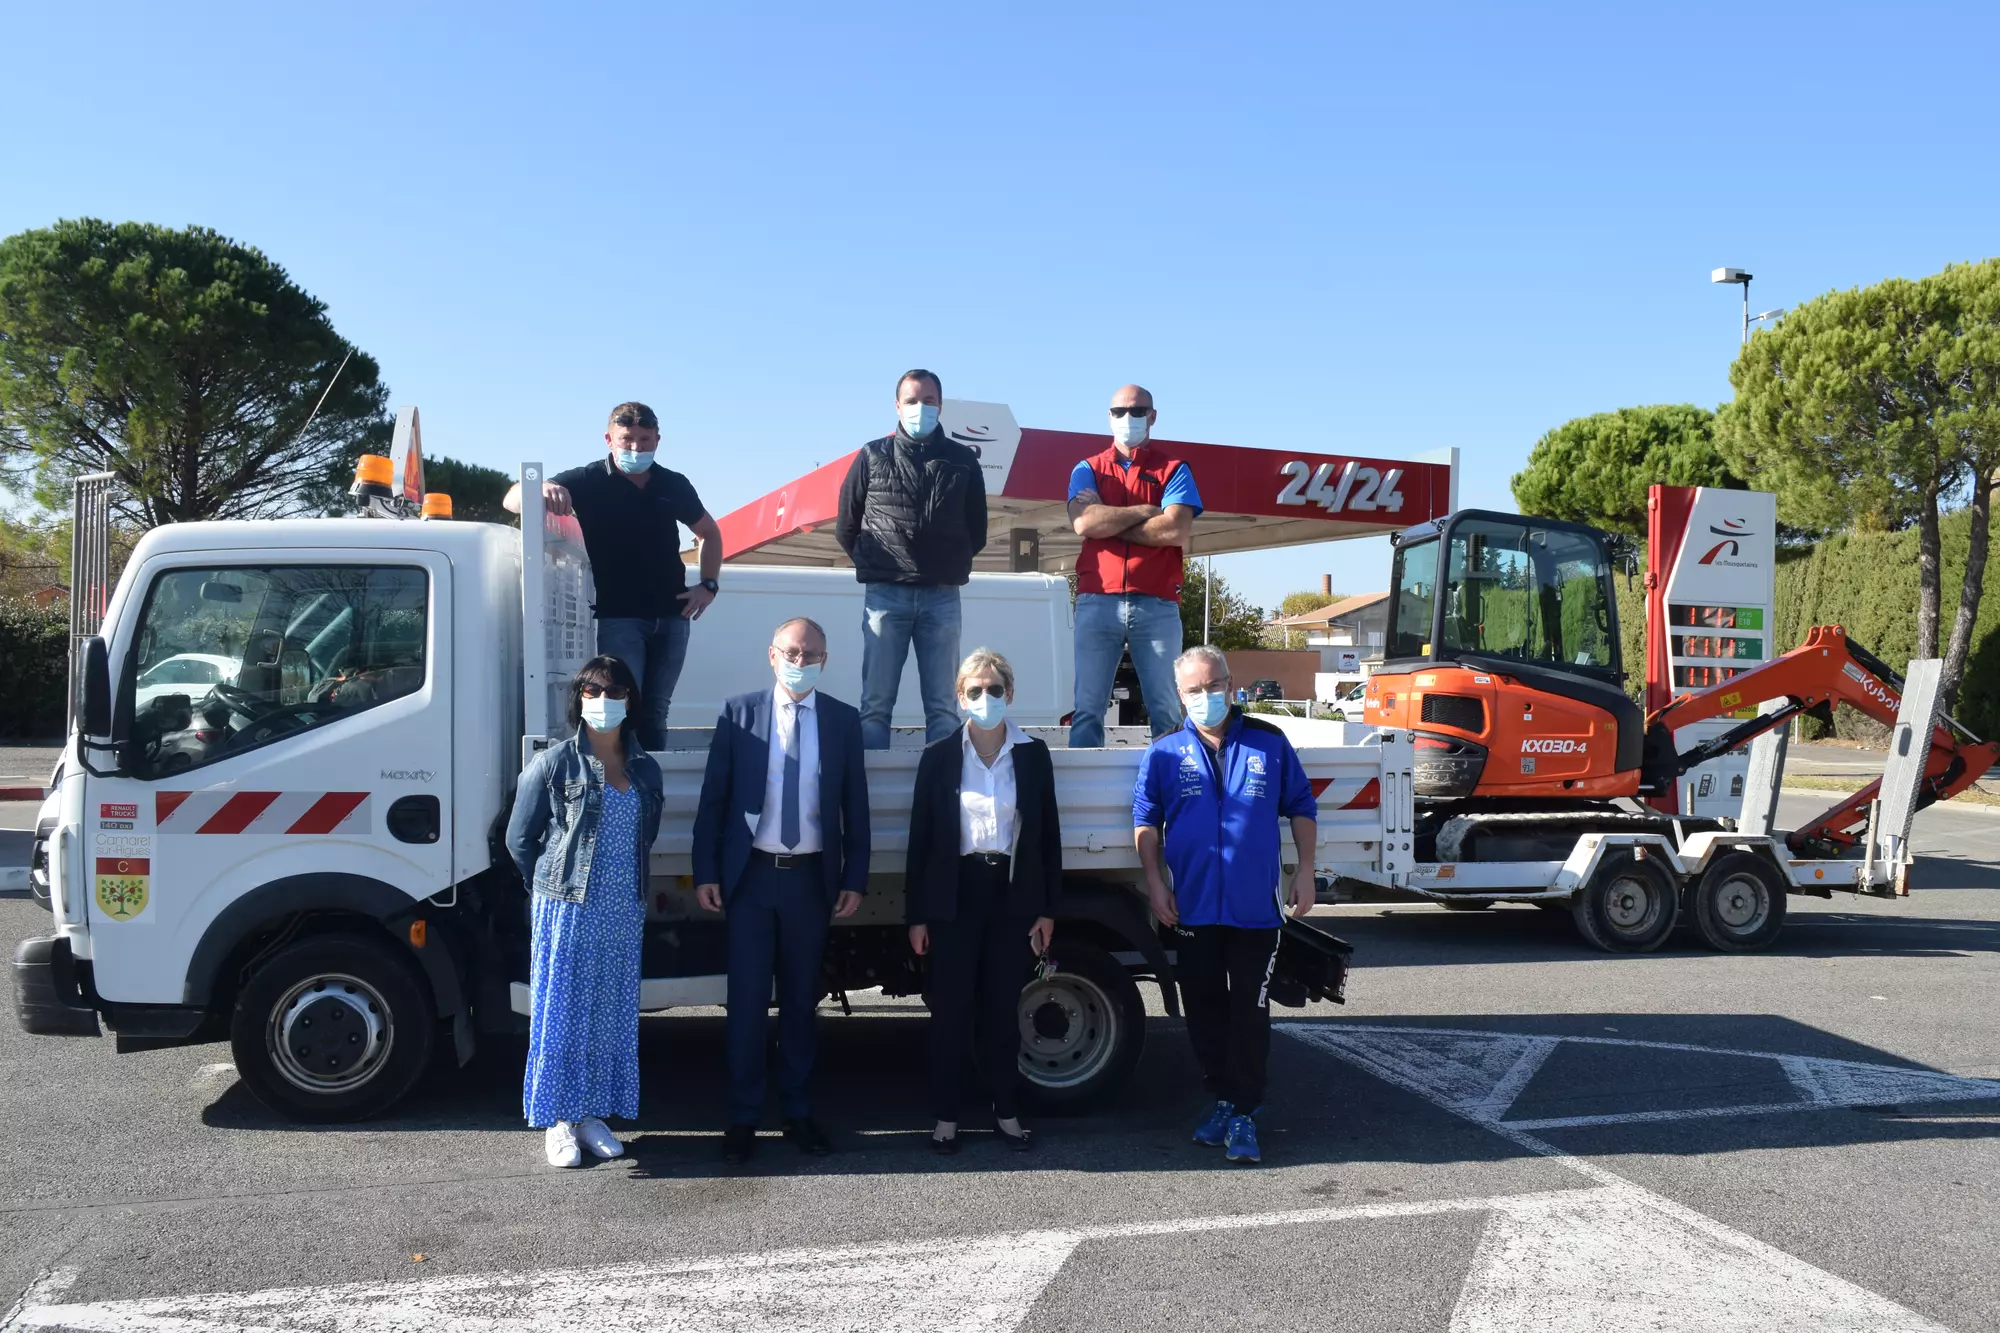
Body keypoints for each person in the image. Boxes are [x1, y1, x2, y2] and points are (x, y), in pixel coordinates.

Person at [692, 617, 870, 1162]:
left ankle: (797, 1111)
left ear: (824, 659)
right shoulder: (738, 713)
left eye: (811, 653)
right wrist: (706, 872)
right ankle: (744, 1117)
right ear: (772, 655)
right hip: (750, 881)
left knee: (798, 1003)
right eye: (792, 651)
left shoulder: (842, 720)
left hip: (810, 883)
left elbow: (854, 808)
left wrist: (855, 878)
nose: (800, 661)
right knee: (746, 1004)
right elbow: (713, 802)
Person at [1133, 646, 1316, 1165]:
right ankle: (1222, 1098)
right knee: (1204, 1011)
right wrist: (1155, 881)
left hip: (1256, 910)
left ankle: (1246, 1111)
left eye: (1214, 686)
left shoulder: (1269, 741)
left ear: (1231, 685)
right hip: (1192, 909)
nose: (1206, 697)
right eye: (1194, 690)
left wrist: (1304, 870)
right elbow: (1146, 818)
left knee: (1249, 1013)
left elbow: (1300, 805)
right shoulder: (1165, 751)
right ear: (1180, 695)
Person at [504, 655, 664, 1168]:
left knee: (609, 1013)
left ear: (629, 700)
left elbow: (645, 834)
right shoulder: (553, 763)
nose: (602, 701)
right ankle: (558, 1121)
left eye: (613, 691)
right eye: (591, 692)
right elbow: (518, 840)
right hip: (568, 908)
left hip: (623, 908)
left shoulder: (644, 766)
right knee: (563, 1013)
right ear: (577, 700)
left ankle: (592, 1114)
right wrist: (548, 889)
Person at [906, 648, 1060, 1155]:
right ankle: (946, 1115)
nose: (985, 698)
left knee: (1001, 1012)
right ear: (960, 697)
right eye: (975, 690)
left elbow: (1047, 838)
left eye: (994, 689)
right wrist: (918, 915)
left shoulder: (1033, 755)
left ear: (1009, 694)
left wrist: (1045, 909)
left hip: (1011, 898)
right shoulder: (940, 756)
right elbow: (922, 841)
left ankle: (1006, 1110)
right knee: (950, 1011)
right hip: (955, 897)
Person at [504, 401, 723, 750]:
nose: (636, 448)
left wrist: (709, 586)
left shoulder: (673, 484)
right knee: (620, 705)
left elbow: (710, 533)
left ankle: (649, 787)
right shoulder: (590, 479)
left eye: (645, 440)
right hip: (620, 618)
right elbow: (512, 499)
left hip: (673, 615)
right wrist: (542, 487)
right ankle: (619, 786)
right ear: (609, 439)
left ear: (657, 440)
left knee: (655, 711)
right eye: (627, 439)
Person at [834, 369, 988, 749]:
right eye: (913, 400)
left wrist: (946, 565)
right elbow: (846, 526)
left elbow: (978, 530)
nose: (921, 408)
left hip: (942, 597)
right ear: (897, 406)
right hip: (885, 597)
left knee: (943, 707)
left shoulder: (962, 460)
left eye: (929, 400)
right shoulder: (871, 455)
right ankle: (867, 798)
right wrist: (879, 564)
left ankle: (944, 794)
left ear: (941, 404)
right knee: (875, 706)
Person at [1066, 384, 1202, 748]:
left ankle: (1172, 793)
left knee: (1167, 710)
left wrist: (1108, 523)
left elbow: (1175, 528)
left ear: (1153, 416)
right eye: (1120, 412)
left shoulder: (1173, 468)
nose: (1129, 418)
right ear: (1109, 417)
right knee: (1086, 710)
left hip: (1156, 604)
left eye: (1138, 411)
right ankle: (1083, 795)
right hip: (1098, 600)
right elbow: (1084, 524)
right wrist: (1145, 511)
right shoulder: (1088, 468)